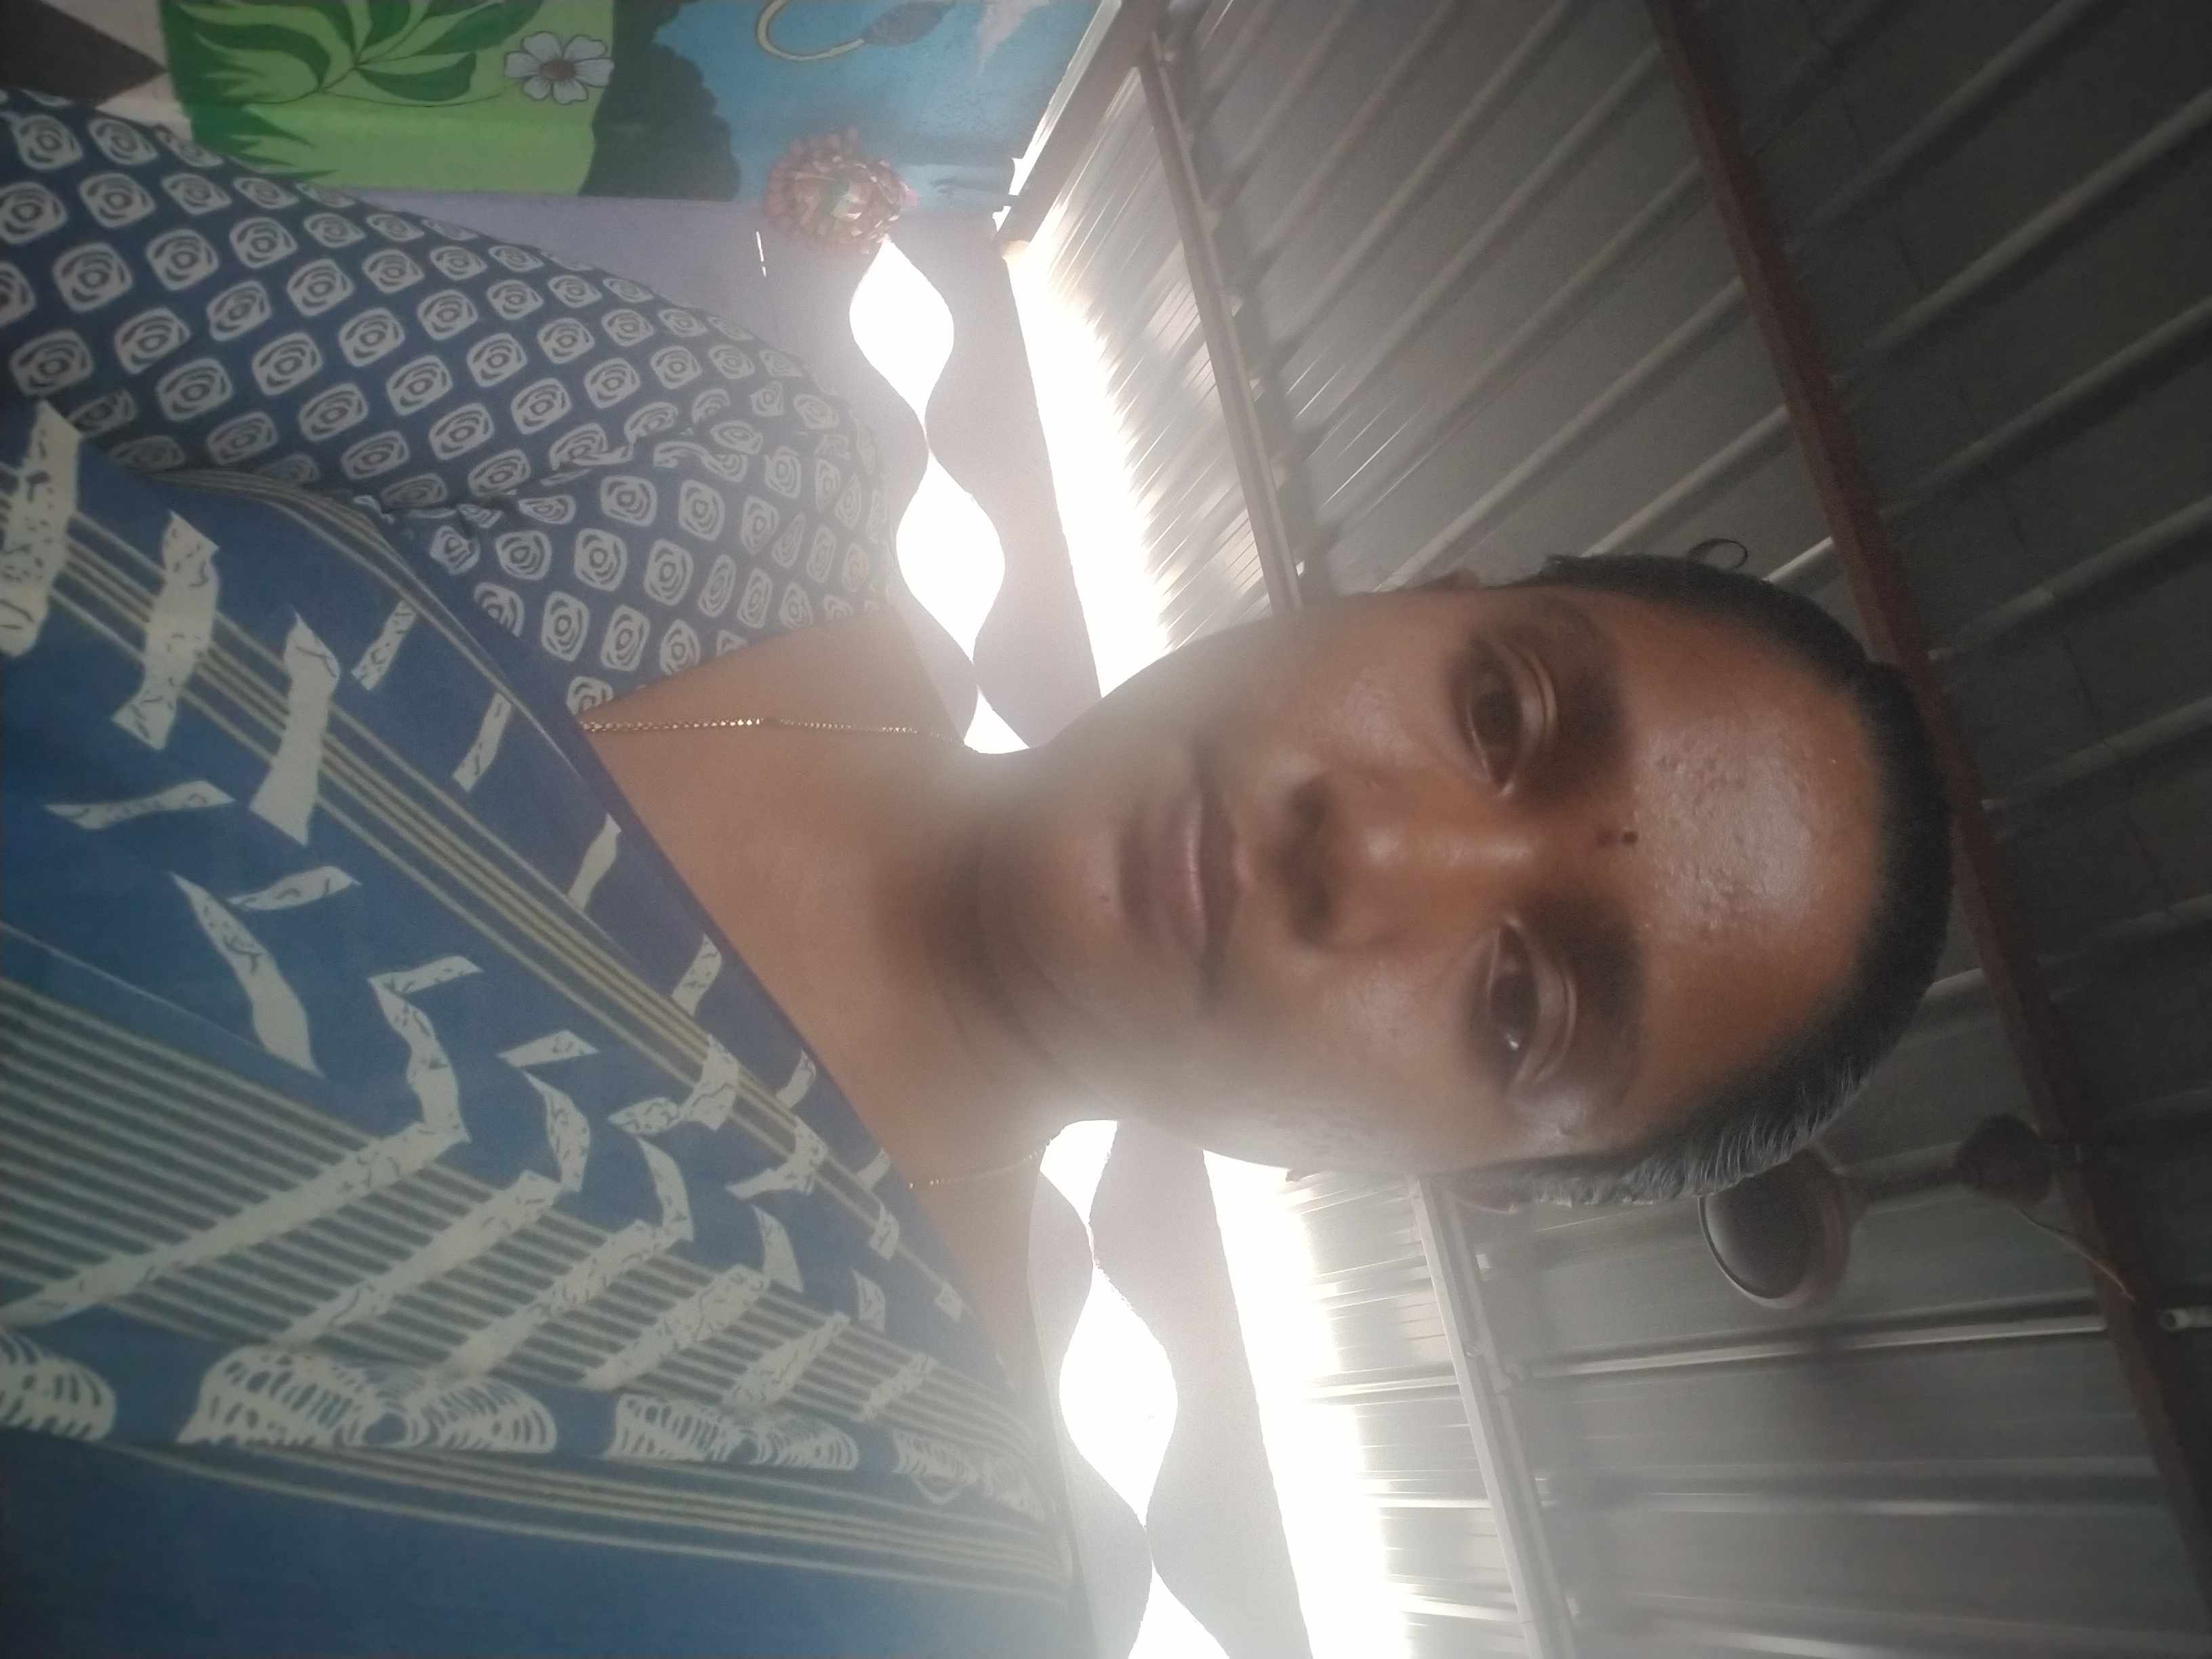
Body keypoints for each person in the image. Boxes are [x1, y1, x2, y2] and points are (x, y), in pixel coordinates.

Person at [0, 98, 1951, 1656]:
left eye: (1519, 1002)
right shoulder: (707, 479)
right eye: (1499, 710)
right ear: (1418, 599)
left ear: (1465, 1177)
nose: (1370, 845)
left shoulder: (891, 1560)